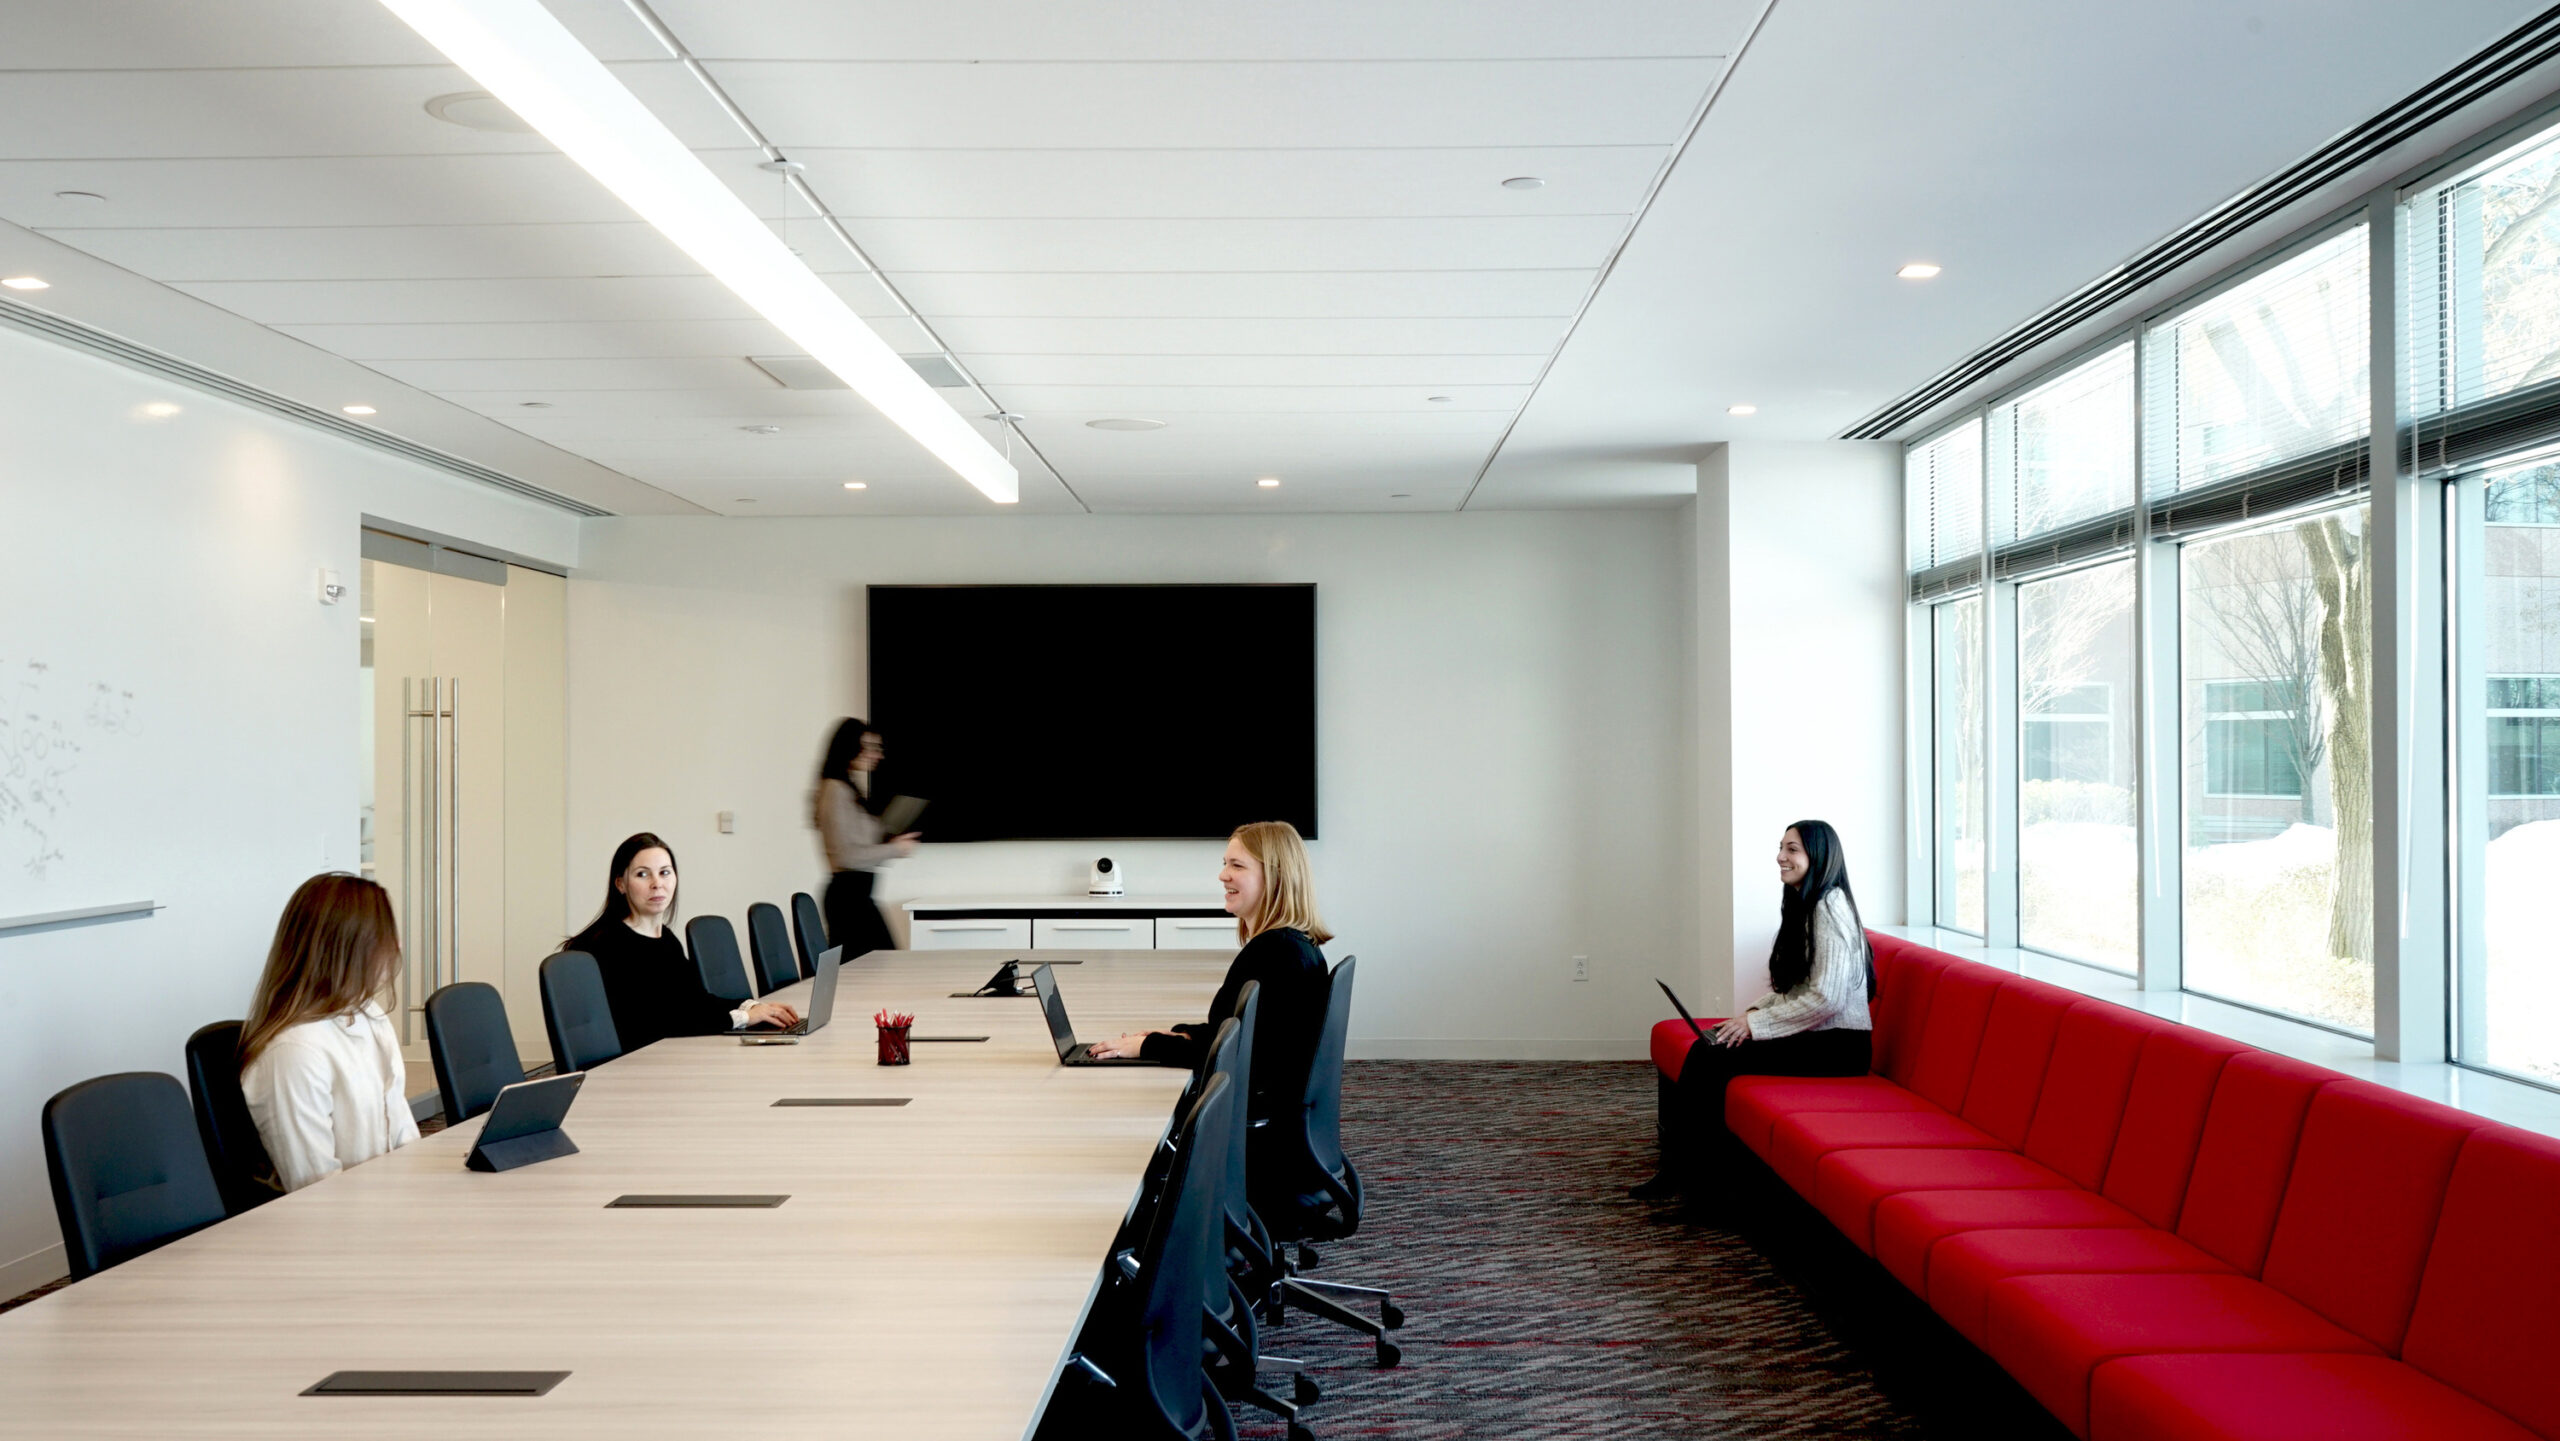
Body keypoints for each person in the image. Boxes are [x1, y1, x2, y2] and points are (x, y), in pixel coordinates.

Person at [1630, 819, 1876, 1201]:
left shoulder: (1830, 907)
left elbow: (1827, 999)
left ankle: (1692, 1177)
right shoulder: (1809, 904)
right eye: (1781, 847)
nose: (1781, 857)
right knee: (1710, 1046)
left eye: (1792, 849)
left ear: (1819, 856)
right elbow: (1798, 990)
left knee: (1710, 1055)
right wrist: (1748, 1017)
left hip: (1840, 1047)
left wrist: (1756, 1023)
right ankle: (1689, 1172)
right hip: (1821, 1037)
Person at [1091, 822, 1333, 1200]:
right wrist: (1181, 1035)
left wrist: (1150, 1047)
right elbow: (1246, 1035)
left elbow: (1238, 1060)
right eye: (1225, 863)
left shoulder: (1274, 956)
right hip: (1275, 1122)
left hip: (1256, 1137)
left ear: (1273, 876)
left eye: (1237, 866)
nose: (1223, 875)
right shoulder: (1291, 946)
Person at [238, 873, 422, 1192]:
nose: (398, 945)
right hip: (338, 1222)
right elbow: (314, 1186)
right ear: (348, 950)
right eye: (384, 936)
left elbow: (403, 1134)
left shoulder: (369, 1016)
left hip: (386, 1200)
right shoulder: (294, 1052)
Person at [568, 832, 799, 1051]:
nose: (657, 883)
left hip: (666, 1056)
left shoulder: (665, 938)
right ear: (620, 884)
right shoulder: (608, 946)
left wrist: (751, 1006)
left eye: (665, 872)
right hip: (633, 1069)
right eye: (642, 874)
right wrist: (744, 1018)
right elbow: (657, 1024)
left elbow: (697, 1001)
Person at [812, 718, 920, 959]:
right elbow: (846, 855)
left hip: (858, 897)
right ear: (850, 747)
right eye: (870, 747)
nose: (877, 754)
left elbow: (861, 845)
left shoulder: (848, 789)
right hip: (848, 899)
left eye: (878, 748)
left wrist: (891, 839)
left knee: (882, 967)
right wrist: (894, 849)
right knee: (881, 968)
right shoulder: (835, 789)